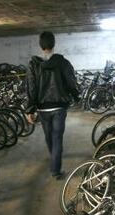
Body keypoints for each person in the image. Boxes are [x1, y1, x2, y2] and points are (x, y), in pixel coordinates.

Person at [26, 31, 79, 179]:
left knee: (49, 136)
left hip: (43, 108)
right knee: (57, 138)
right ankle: (56, 168)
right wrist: (76, 96)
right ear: (53, 44)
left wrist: (30, 109)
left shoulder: (33, 64)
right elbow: (71, 82)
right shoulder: (63, 62)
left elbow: (31, 87)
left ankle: (54, 159)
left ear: (40, 45)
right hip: (59, 107)